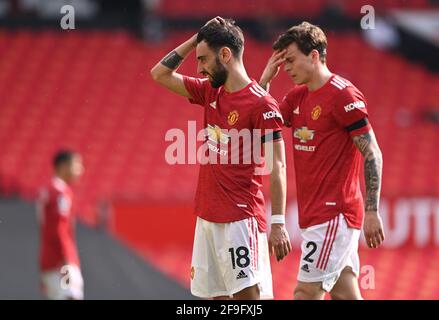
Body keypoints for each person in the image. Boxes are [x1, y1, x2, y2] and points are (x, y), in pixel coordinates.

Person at [151, 17, 291, 300]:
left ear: (225, 54)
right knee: (217, 299)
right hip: (207, 217)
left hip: (240, 218)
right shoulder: (210, 91)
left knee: (248, 299)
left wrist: (278, 222)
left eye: (203, 59)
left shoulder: (262, 104)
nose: (199, 68)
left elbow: (277, 166)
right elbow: (160, 74)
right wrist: (195, 39)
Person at [259, 22, 385, 300]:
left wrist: (372, 210)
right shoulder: (297, 97)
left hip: (334, 215)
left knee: (305, 293)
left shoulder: (343, 95)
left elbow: (372, 152)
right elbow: (261, 125)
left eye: (291, 60)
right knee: (345, 295)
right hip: (315, 215)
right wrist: (265, 80)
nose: (287, 68)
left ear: (314, 55)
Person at [38, 150, 84, 300]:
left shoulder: (49, 191)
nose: (80, 170)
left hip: (51, 260)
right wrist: (66, 259)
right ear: (63, 166)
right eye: (77, 165)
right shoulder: (59, 193)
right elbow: (58, 229)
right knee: (69, 297)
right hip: (61, 263)